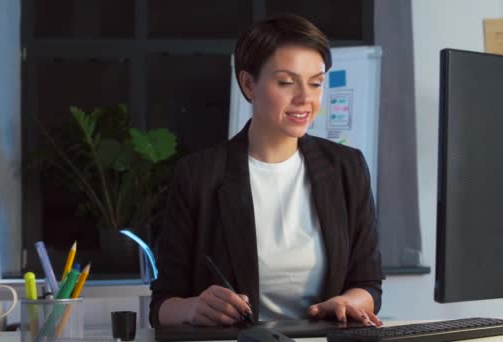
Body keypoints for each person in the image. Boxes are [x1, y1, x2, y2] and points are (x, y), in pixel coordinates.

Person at [149, 13, 383, 328]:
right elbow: (162, 305)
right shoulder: (199, 176)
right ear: (248, 84)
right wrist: (192, 308)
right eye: (286, 82)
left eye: (316, 83)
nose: (305, 99)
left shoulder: (347, 167)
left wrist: (348, 302)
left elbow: (368, 285)